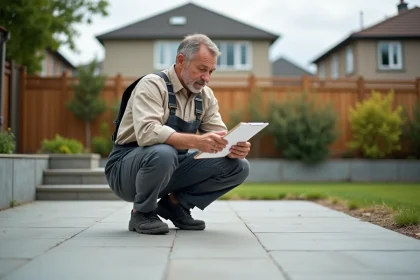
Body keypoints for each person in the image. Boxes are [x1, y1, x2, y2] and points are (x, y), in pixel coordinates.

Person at [105, 33, 251, 235]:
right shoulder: (152, 85)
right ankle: (141, 213)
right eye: (202, 69)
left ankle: (175, 205)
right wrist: (198, 142)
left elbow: (219, 135)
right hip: (126, 168)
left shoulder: (205, 96)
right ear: (181, 60)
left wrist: (233, 147)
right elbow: (147, 133)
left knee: (238, 166)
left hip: (171, 166)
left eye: (211, 71)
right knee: (164, 152)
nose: (206, 78)